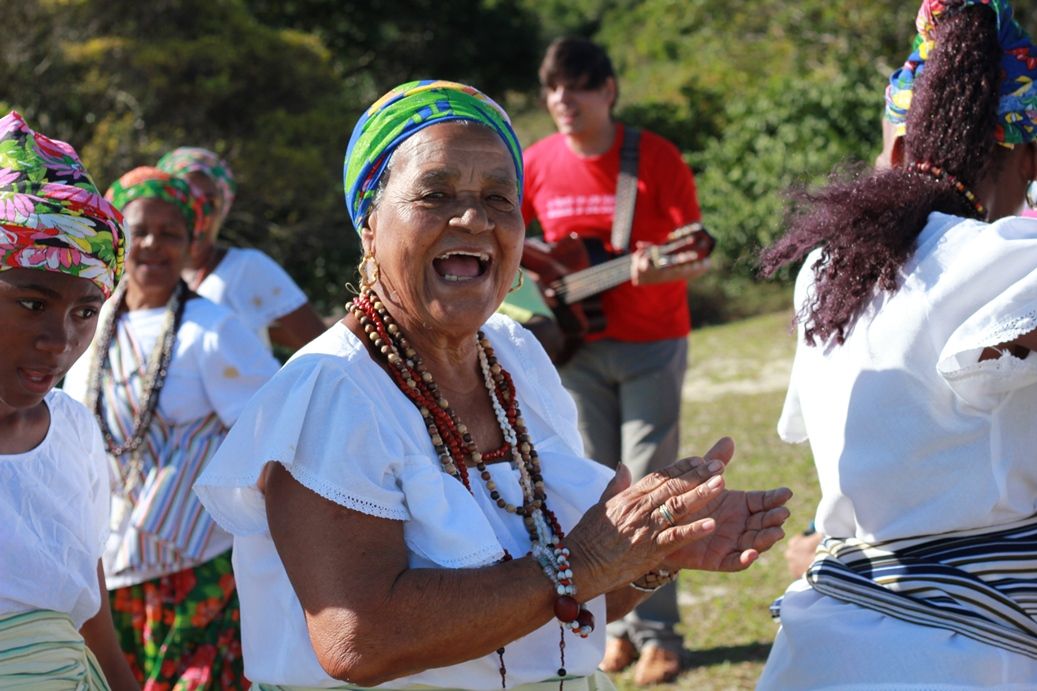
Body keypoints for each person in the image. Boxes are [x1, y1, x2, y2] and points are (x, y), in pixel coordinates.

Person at [193, 79, 792, 690]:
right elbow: (358, 639)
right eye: (436, 193)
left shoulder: (515, 355)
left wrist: (653, 553)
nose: (474, 218)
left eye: (499, 198)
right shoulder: (332, 389)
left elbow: (566, 608)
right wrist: (585, 560)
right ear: (369, 224)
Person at [757, 0, 1037, 686]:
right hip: (958, 657)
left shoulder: (825, 268)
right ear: (1022, 153)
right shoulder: (1004, 262)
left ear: (898, 150)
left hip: (819, 647)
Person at [520, 37, 710, 684]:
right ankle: (612, 628)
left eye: (574, 87)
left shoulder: (652, 157)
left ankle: (660, 634)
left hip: (651, 345)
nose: (560, 101)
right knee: (591, 495)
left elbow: (693, 252)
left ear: (607, 91)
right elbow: (516, 252)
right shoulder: (534, 162)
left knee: (652, 482)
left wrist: (651, 271)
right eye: (551, 89)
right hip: (572, 350)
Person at [63, 166, 280, 688]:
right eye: (139, 231)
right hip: (109, 572)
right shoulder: (89, 320)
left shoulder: (215, 330)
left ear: (192, 242)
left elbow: (275, 435)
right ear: (119, 238)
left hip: (199, 571)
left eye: (171, 233)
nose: (154, 245)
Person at [0, 110, 137, 689]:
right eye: (31, 303)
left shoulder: (73, 431)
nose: (60, 342)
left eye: (86, 312)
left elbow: (86, 592)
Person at [156, 147, 325, 352]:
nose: (200, 213)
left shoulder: (248, 267)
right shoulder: (152, 278)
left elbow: (322, 345)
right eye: (189, 201)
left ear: (223, 207)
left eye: (209, 203)